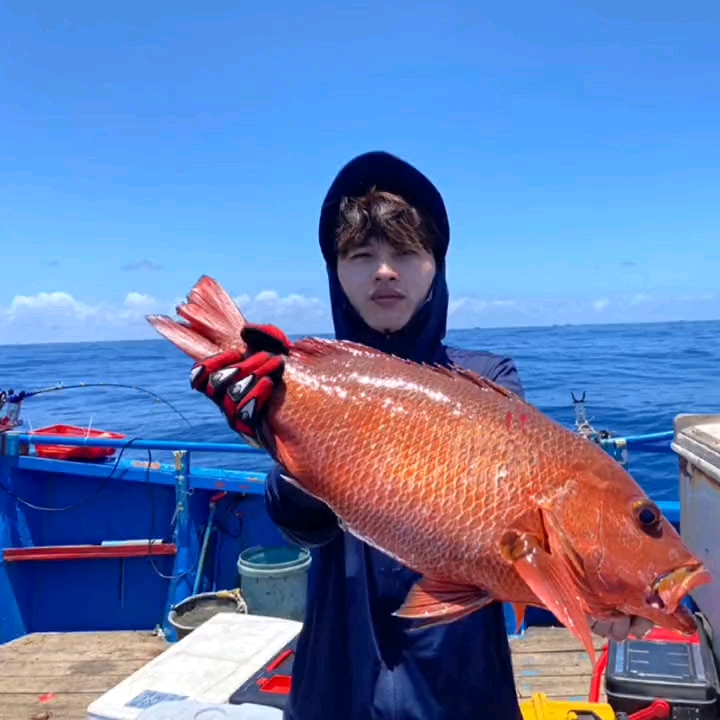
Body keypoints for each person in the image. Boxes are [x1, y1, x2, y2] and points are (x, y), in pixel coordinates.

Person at [189, 151, 649, 720]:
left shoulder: (490, 379)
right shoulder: (308, 381)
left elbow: (513, 531)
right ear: (336, 273)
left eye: (406, 253)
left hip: (458, 672)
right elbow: (304, 528)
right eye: (361, 256)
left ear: (436, 267)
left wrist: (601, 590)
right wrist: (272, 432)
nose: (385, 271)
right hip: (340, 664)